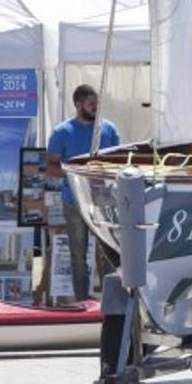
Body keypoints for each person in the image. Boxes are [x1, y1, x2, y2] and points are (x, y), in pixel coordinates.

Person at [46, 84, 120, 302]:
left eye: (97, 103)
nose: (95, 107)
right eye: (91, 104)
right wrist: (76, 177)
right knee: (78, 255)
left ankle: (111, 299)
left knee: (109, 250)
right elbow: (50, 168)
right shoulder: (62, 132)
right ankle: (82, 300)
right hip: (75, 200)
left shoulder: (110, 130)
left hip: (104, 198)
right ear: (78, 105)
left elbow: (119, 163)